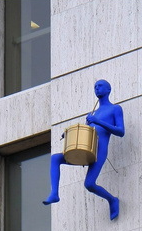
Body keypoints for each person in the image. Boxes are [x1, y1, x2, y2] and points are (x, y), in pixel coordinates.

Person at [43, 80, 125, 220]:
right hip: (88, 150)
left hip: (99, 151)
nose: (96, 88)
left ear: (108, 90)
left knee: (89, 184)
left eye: (100, 86)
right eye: (95, 87)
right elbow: (87, 132)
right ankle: (54, 193)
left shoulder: (114, 109)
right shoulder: (94, 112)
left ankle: (112, 200)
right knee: (55, 158)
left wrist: (98, 121)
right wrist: (70, 134)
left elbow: (121, 131)